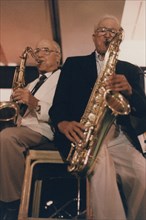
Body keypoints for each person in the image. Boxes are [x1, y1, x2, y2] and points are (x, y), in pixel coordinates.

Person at [49, 15, 146, 220]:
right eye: (103, 30)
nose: (108, 35)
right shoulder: (73, 64)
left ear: (119, 39)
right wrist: (63, 123)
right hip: (85, 134)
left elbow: (143, 111)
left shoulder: (131, 70)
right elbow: (57, 106)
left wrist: (130, 91)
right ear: (94, 37)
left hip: (118, 135)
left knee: (143, 175)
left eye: (113, 32)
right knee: (101, 171)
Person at [0, 39, 61, 220]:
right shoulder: (32, 83)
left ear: (58, 57)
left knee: (7, 139)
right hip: (24, 128)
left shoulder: (65, 79)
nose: (39, 54)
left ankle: (13, 204)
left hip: (45, 130)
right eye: (37, 50)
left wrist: (34, 102)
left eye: (45, 50)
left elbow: (63, 111)